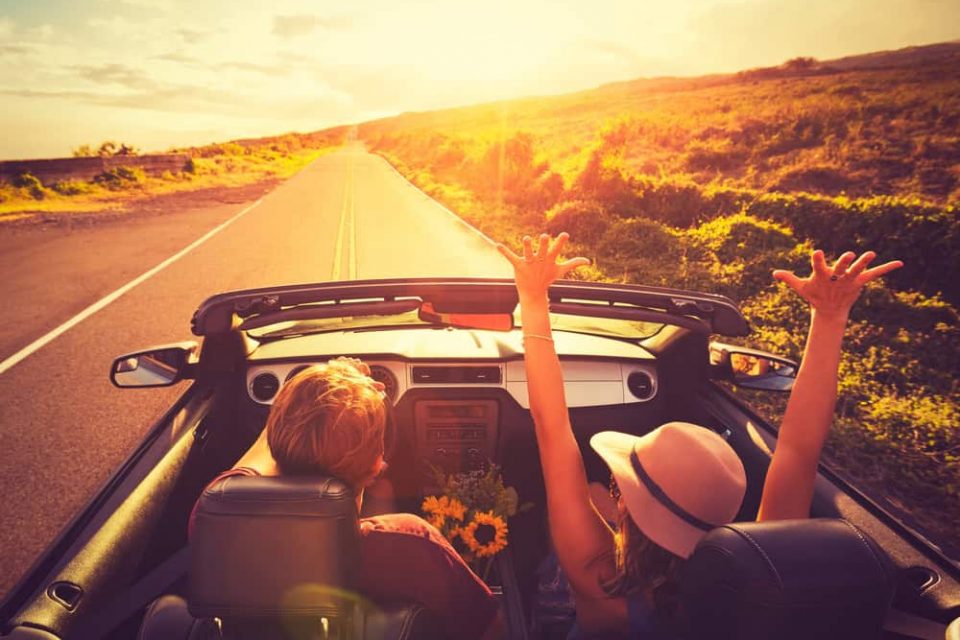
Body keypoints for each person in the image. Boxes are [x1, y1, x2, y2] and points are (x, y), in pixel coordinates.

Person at [496, 232, 902, 638]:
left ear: (627, 503)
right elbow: (797, 451)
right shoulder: (753, 582)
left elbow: (552, 428)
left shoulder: (603, 582)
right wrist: (830, 320)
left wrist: (532, 301)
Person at [189, 357, 502, 640]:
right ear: (377, 465)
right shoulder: (412, 545)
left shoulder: (215, 520)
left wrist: (309, 395)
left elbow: (259, 456)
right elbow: (490, 630)